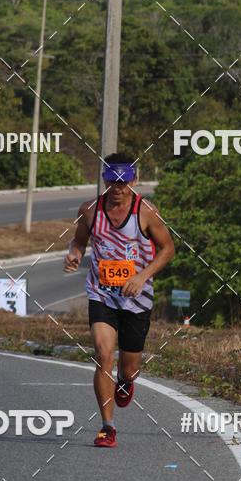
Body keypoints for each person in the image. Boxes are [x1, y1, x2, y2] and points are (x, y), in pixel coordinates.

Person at [64, 153, 175, 447]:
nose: (118, 187)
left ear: (134, 180)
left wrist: (141, 277)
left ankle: (126, 382)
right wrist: (75, 254)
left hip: (137, 298)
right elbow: (79, 240)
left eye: (124, 181)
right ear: (104, 179)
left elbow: (167, 249)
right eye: (112, 180)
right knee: (103, 355)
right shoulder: (89, 210)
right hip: (102, 293)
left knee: (128, 369)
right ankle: (107, 427)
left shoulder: (146, 212)